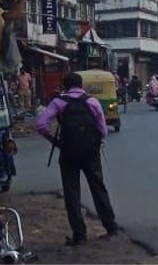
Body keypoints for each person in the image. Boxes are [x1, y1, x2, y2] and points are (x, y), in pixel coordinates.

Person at [36, 72, 119, 246]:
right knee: (98, 187)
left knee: (72, 193)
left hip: (68, 153)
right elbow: (103, 130)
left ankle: (79, 234)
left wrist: (56, 142)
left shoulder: (59, 102)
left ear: (65, 86)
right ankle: (110, 225)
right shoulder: (92, 101)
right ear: (81, 85)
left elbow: (41, 124)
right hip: (91, 152)